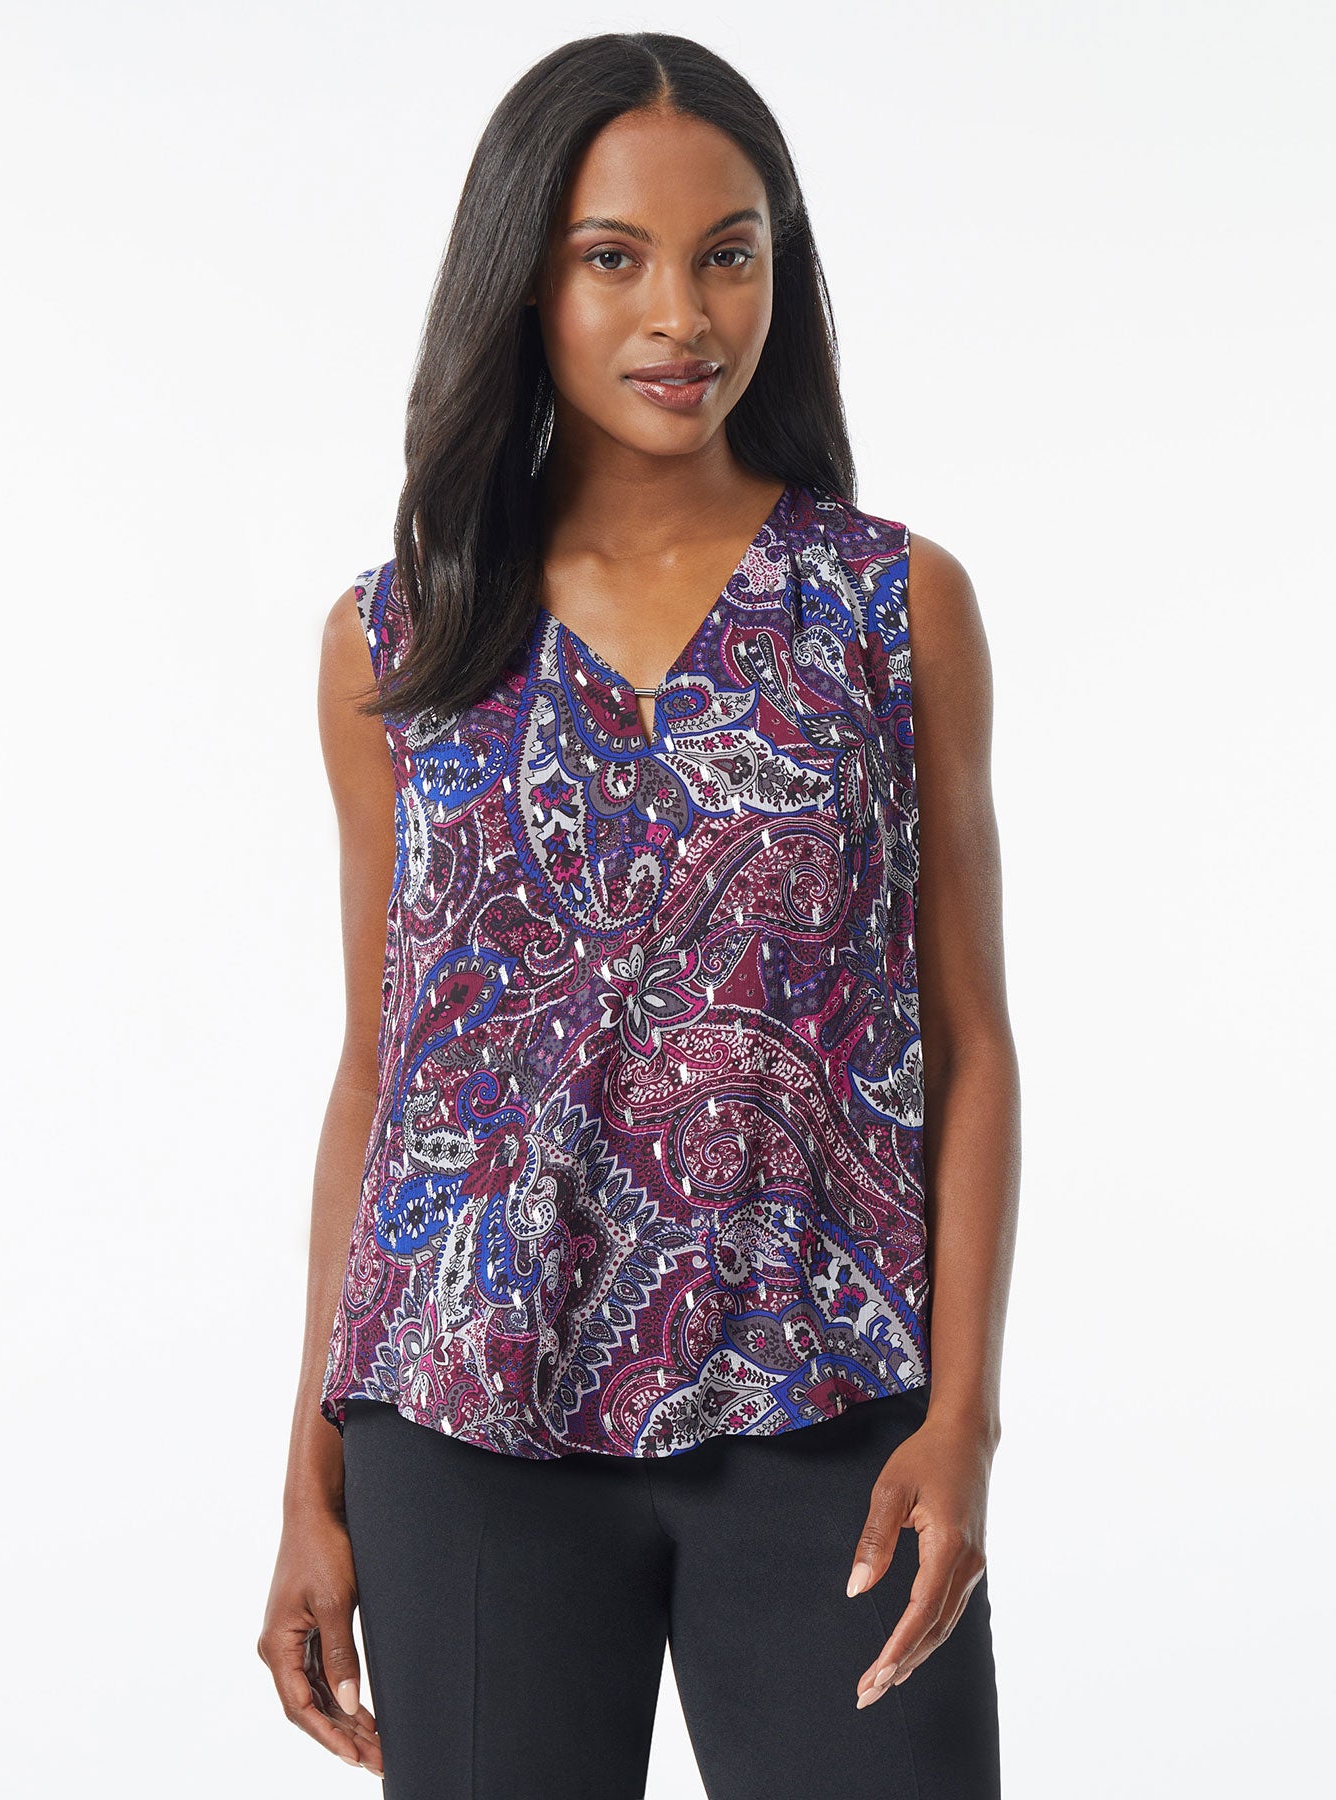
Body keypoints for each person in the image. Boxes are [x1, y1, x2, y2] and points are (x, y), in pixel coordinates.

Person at [258, 30, 1019, 1800]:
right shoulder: (398, 640)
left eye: (726, 254)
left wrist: (961, 1421)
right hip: (461, 1425)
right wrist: (308, 1478)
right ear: (524, 281)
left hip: (827, 1407)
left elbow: (969, 1045)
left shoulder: (888, 607)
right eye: (615, 257)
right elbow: (382, 1073)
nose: (681, 315)